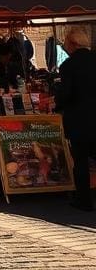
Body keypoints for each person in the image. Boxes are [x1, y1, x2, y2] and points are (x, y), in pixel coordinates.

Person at [55, 26, 96, 211]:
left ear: (72, 44)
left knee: (80, 162)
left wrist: (57, 101)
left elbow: (66, 94)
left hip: (79, 121)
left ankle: (84, 200)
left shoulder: (68, 66)